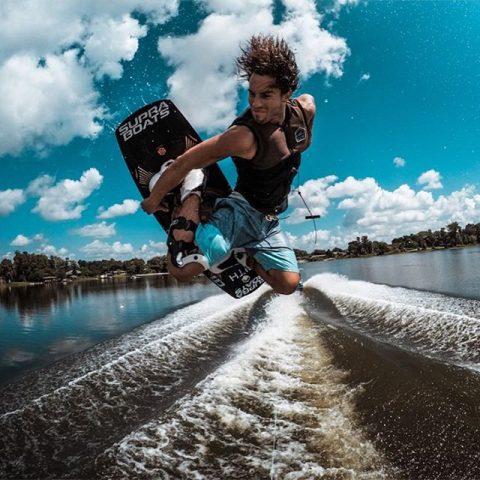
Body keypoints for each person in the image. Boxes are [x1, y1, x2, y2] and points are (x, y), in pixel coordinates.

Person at [141, 35, 315, 295]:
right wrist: (153, 201)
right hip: (240, 212)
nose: (255, 103)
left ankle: (250, 256)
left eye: (266, 95)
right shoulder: (243, 136)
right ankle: (191, 194)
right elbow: (183, 162)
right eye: (251, 93)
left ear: (286, 92)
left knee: (288, 286)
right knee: (184, 271)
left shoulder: (305, 110)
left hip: (269, 221)